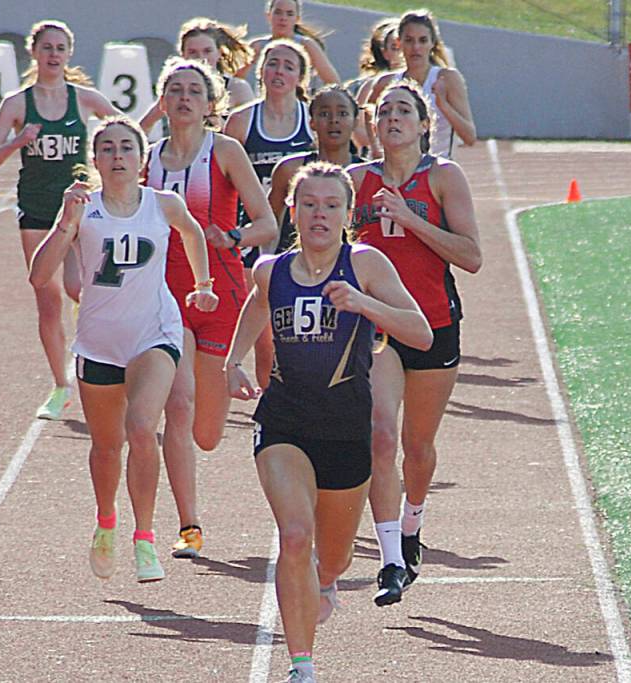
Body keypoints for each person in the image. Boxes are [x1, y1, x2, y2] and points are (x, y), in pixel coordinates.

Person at [225, 162, 431, 683]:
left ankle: (326, 581)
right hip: (284, 424)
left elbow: (421, 333)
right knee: (295, 534)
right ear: (293, 210)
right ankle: (301, 666)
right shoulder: (272, 270)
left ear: (346, 213)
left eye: (331, 205)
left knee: (332, 560)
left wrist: (362, 303)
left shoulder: (365, 264)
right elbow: (256, 305)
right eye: (310, 204)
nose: (320, 214)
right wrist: (233, 362)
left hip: (345, 434)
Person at [29, 115, 218, 583]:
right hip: (99, 342)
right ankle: (106, 520)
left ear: (142, 159)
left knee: (140, 427)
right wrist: (64, 226)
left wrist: (202, 284)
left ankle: (146, 538)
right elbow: (38, 275)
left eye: (126, 149)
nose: (117, 157)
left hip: (154, 334)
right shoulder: (82, 209)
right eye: (108, 149)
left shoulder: (163, 204)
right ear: (95, 160)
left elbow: (193, 233)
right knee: (107, 447)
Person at [348, 80, 482, 606]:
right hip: (378, 330)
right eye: (384, 111)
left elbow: (471, 256)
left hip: (433, 324)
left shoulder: (443, 177)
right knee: (380, 435)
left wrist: (407, 218)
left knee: (417, 449)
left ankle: (412, 524)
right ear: (374, 126)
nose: (393, 117)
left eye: (404, 109)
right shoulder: (355, 181)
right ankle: (390, 561)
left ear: (425, 124)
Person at [143, 57, 277, 559]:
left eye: (193, 91)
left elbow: (267, 223)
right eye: (174, 89)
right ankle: (189, 526)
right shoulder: (147, 159)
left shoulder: (224, 152)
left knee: (207, 433)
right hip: (167, 299)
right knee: (177, 408)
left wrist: (235, 235)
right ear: (162, 100)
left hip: (220, 298)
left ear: (209, 104)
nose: (182, 98)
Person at [0, 19, 118, 420]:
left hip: (78, 205)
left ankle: (102, 366)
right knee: (47, 298)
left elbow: (126, 130)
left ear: (69, 54)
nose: (54, 55)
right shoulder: (18, 103)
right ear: (34, 53)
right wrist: (19, 141)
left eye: (61, 48)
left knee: (79, 287)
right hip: (37, 210)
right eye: (47, 48)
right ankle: (61, 386)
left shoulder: (86, 99)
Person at [225, 39, 315, 387]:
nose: (279, 71)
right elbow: (222, 177)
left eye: (289, 66)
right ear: (261, 70)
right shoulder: (242, 121)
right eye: (273, 63)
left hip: (300, 235)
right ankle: (270, 403)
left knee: (298, 332)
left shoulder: (313, 122)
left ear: (300, 78)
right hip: (256, 236)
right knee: (266, 335)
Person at [363, 9, 476, 159]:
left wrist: (442, 104)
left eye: (422, 40)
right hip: (397, 171)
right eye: (409, 40)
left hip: (436, 170)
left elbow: (469, 137)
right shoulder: (386, 83)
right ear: (399, 43)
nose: (416, 47)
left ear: (432, 43)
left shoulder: (447, 79)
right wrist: (376, 148)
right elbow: (368, 112)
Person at [267, 85, 364, 257]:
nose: (334, 120)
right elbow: (267, 223)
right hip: (296, 265)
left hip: (352, 267)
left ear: (355, 121)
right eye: (324, 114)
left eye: (343, 114)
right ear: (311, 122)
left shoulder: (365, 174)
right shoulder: (289, 169)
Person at [138, 17, 256, 135]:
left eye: (207, 51)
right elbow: (143, 127)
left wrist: (220, 126)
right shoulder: (177, 90)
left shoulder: (236, 88)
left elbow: (250, 135)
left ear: (219, 53)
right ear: (183, 55)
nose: (201, 58)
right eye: (193, 52)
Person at [238, 0, 340, 86]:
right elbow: (235, 80)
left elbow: (333, 82)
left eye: (289, 14)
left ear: (297, 19)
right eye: (278, 12)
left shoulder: (307, 45)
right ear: (268, 15)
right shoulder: (257, 46)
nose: (283, 18)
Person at [351, 18, 404, 152]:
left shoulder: (428, 83)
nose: (401, 54)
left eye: (404, 47)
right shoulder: (371, 86)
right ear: (384, 52)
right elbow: (356, 125)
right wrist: (378, 146)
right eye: (394, 48)